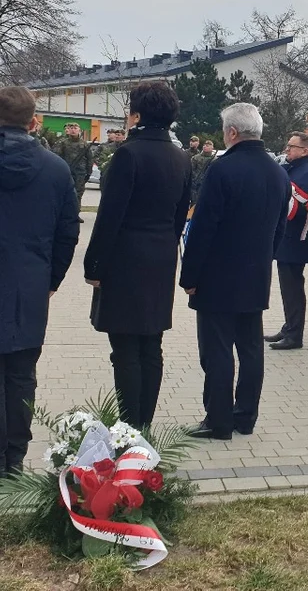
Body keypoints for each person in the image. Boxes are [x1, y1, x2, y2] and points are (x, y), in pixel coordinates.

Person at [84, 81, 192, 428]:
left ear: (137, 114)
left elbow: (109, 217)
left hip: (126, 258)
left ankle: (129, 428)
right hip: (161, 257)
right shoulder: (181, 157)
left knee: (125, 349)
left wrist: (94, 264)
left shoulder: (128, 154)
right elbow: (180, 216)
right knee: (151, 345)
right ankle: (143, 424)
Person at [179, 103, 290, 440]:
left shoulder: (222, 169)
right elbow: (280, 228)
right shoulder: (278, 172)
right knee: (251, 348)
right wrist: (265, 259)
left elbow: (203, 228)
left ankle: (218, 419)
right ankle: (246, 416)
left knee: (216, 350)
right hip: (256, 273)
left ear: (231, 132)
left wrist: (189, 276)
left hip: (217, 276)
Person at [0, 86, 80, 476]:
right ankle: (14, 454)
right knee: (20, 373)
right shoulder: (56, 169)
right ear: (34, 121)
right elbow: (68, 232)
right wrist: (51, 278)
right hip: (29, 285)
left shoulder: (57, 167)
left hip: (27, 280)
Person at [265, 132, 308, 351]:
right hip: (287, 237)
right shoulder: (295, 168)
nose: (287, 150)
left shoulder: (307, 172)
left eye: (291, 146)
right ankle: (289, 327)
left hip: (296, 238)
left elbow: (299, 206)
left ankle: (295, 334)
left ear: (305, 151)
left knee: (293, 288)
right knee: (288, 287)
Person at [53, 122, 93, 220]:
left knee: (78, 194)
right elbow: (57, 157)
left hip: (80, 173)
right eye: (71, 128)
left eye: (75, 128)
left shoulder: (84, 144)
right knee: (64, 193)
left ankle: (75, 214)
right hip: (67, 172)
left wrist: (89, 172)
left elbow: (89, 159)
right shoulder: (63, 143)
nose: (73, 130)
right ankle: (63, 214)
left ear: (79, 130)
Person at [190, 139, 217, 206]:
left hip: (208, 186)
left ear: (212, 148)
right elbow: (191, 171)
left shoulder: (215, 160)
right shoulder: (195, 158)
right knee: (194, 204)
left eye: (207, 146)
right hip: (196, 185)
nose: (205, 146)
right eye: (204, 145)